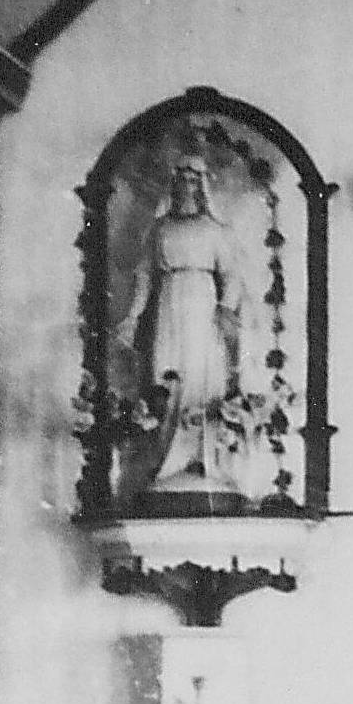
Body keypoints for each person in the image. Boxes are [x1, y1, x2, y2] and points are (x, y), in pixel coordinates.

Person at [121, 155, 245, 494]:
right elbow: (145, 275)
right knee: (168, 373)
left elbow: (232, 274)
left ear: (202, 186)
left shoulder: (214, 230)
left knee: (202, 377)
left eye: (193, 180)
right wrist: (133, 316)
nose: (186, 187)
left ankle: (205, 460)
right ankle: (168, 462)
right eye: (181, 180)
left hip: (202, 307)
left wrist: (224, 307)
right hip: (169, 305)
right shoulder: (160, 229)